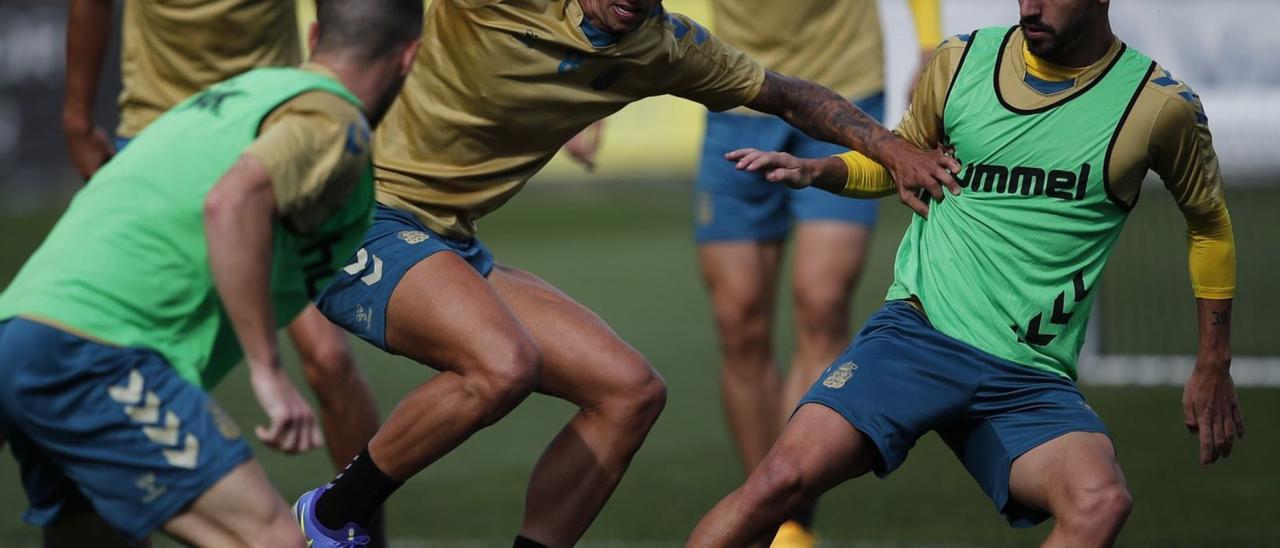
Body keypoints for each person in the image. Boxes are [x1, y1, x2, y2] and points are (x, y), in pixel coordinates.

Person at [292, 1, 960, 546]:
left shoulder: (663, 46)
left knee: (629, 391)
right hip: (354, 213)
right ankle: (329, 517)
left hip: (447, 238)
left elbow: (790, 97)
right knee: (502, 363)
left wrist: (892, 148)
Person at [687, 0, 1244, 545]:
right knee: (778, 481)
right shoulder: (961, 63)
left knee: (1101, 502)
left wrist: (1213, 362)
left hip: (1026, 377)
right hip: (916, 338)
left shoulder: (1157, 107)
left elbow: (1209, 225)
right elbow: (902, 163)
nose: (1031, 8)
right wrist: (823, 170)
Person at [0, 1, 422, 546]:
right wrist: (267, 371)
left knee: (92, 534)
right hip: (96, 355)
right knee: (274, 540)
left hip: (20, 328)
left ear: (314, 35)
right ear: (409, 58)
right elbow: (232, 202)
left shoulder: (238, 99)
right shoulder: (332, 120)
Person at [692, 1, 940, 545]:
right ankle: (762, 508)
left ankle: (791, 521)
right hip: (736, 94)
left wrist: (926, 43)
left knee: (822, 303)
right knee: (739, 320)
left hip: (843, 91)